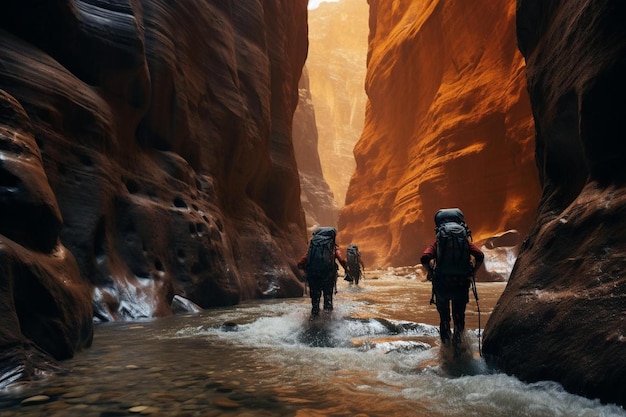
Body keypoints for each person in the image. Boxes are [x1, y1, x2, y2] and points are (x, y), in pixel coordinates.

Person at [420, 208, 484, 347]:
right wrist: (473, 273)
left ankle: (446, 353)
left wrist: (430, 272)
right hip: (461, 285)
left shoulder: (438, 242)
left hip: (442, 285)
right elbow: (480, 256)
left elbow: (425, 257)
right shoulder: (465, 241)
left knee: (444, 319)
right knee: (459, 318)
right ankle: (459, 351)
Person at [297, 227, 347, 317]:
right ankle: (328, 323)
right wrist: (347, 270)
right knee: (328, 300)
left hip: (314, 277)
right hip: (328, 277)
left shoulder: (313, 246)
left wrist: (307, 268)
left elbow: (300, 263)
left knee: (315, 302)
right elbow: (342, 260)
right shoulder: (333, 247)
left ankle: (313, 322)